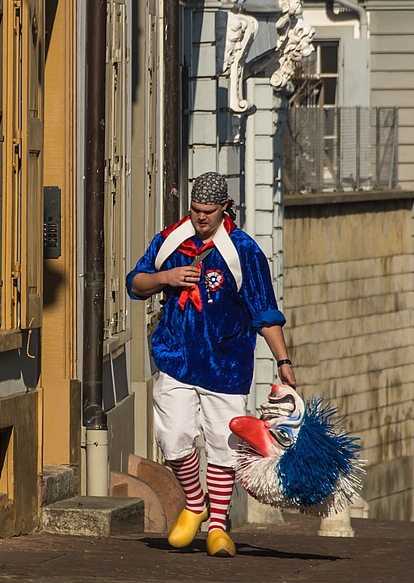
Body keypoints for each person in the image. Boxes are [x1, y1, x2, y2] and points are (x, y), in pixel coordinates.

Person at [126, 171, 296, 558]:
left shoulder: (243, 250)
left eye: (208, 211)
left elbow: (264, 312)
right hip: (176, 356)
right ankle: (195, 502)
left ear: (224, 208)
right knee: (171, 437)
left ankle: (218, 526)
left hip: (226, 365)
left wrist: (283, 360)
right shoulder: (171, 240)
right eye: (195, 210)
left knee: (223, 445)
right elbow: (135, 283)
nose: (200, 218)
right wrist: (165, 277)